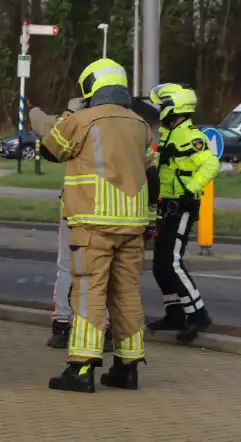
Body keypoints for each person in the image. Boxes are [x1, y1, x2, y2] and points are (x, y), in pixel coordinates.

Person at [39, 58, 159, 393]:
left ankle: (81, 369)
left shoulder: (81, 120)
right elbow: (151, 173)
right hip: (133, 222)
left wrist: (54, 120)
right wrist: (151, 218)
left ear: (91, 85)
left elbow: (50, 150)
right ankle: (127, 367)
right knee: (126, 293)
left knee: (90, 290)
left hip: (93, 221)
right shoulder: (140, 125)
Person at [30, 98, 112, 353]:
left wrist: (64, 110)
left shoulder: (74, 124)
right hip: (113, 210)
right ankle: (105, 330)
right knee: (106, 273)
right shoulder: (121, 125)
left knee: (68, 268)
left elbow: (43, 127)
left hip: (76, 210)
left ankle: (63, 326)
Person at [146, 83, 219, 343]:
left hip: (182, 205)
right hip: (167, 205)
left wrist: (191, 189)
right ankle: (174, 313)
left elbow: (211, 163)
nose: (158, 111)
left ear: (173, 108)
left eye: (161, 107)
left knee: (172, 262)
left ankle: (198, 314)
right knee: (159, 266)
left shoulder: (190, 136)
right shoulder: (169, 134)